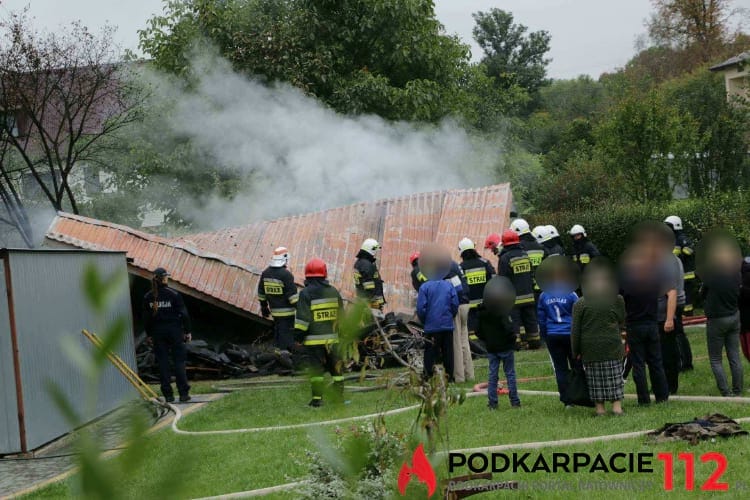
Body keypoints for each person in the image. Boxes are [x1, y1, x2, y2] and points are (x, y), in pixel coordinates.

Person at [620, 224, 670, 406]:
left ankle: (643, 399)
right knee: (656, 361)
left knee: (638, 363)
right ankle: (662, 396)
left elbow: (621, 298)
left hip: (634, 324)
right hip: (651, 322)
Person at [571, 263, 627, 416]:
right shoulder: (617, 299)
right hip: (612, 344)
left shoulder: (580, 303)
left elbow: (575, 331)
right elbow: (622, 320)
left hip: (589, 347)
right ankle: (617, 407)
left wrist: (575, 351)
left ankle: (600, 409)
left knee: (595, 379)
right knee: (615, 375)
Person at [294, 258, 345, 407]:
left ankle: (317, 400)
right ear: (324, 274)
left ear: (307, 276)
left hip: (314, 342)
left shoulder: (305, 294)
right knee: (337, 370)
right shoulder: (333, 291)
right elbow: (341, 317)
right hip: (333, 341)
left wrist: (298, 337)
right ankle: (339, 398)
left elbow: (303, 319)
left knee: (316, 372)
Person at [698, 234, 744, 397]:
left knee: (716, 358)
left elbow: (701, 294)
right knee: (734, 355)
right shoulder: (736, 273)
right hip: (733, 315)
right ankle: (738, 390)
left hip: (717, 319)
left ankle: (725, 392)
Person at [142, 267, 192, 403]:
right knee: (179, 362)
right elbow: (184, 314)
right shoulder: (174, 294)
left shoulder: (148, 297)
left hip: (158, 333)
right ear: (164, 278)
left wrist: (149, 334)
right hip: (175, 332)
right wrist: (187, 331)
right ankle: (183, 394)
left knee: (163, 363)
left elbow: (146, 319)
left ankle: (168, 395)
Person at [537, 260, 579, 407]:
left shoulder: (544, 295)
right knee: (576, 366)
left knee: (560, 368)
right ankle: (579, 395)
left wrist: (545, 336)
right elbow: (579, 314)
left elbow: (541, 319)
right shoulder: (571, 294)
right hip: (570, 334)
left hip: (553, 335)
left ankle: (567, 401)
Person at [476, 276, 521, 410]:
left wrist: (487, 341)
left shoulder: (481, 312)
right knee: (510, 374)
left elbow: (478, 331)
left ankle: (492, 403)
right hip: (505, 347)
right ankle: (515, 402)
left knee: (492, 376)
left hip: (491, 348)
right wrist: (513, 341)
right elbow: (508, 328)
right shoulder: (501, 310)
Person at [497, 229, 540, 350]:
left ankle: (516, 344)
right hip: (529, 295)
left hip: (513, 298)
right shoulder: (525, 255)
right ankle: (535, 342)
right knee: (531, 320)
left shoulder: (505, 258)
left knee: (514, 322)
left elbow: (503, 279)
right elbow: (531, 274)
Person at [417, 261, 459, 382]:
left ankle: (427, 376)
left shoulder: (424, 287)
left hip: (431, 326)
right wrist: (450, 316)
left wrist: (426, 320)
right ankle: (450, 376)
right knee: (448, 352)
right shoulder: (448, 285)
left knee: (430, 352)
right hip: (447, 325)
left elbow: (421, 308)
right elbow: (455, 304)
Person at [664, 215, 695, 370]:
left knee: (677, 333)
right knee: (679, 332)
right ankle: (685, 362)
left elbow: (689, 250)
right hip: (678, 286)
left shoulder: (681, 239)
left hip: (679, 287)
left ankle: (683, 363)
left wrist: (682, 250)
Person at [657, 230, 684, 395]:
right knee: (669, 348)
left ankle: (670, 385)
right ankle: (667, 383)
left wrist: (668, 318)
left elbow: (671, 292)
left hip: (668, 311)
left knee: (667, 351)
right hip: (672, 308)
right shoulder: (673, 259)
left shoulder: (666, 262)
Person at [258, 246, 299, 350]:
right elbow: (293, 298)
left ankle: (277, 353)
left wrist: (264, 307)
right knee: (287, 337)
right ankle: (285, 357)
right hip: (288, 314)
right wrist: (302, 311)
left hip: (275, 312)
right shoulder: (286, 275)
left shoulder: (265, 273)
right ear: (285, 259)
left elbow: (261, 293)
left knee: (278, 333)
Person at [458, 237, 495, 339]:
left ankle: (476, 349)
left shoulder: (461, 267)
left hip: (469, 305)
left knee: (472, 330)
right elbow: (494, 279)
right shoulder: (485, 262)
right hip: (485, 303)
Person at [444, 259, 472, 382]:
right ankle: (469, 374)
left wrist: (453, 305)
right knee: (464, 341)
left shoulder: (447, 268)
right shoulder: (454, 264)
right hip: (465, 305)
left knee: (456, 343)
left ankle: (459, 377)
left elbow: (458, 289)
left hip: (458, 306)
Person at [353, 238, 385, 309]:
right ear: (370, 250)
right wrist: (374, 304)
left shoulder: (360, 263)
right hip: (371, 303)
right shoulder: (367, 265)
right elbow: (369, 288)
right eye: (374, 250)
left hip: (364, 300)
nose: (375, 253)